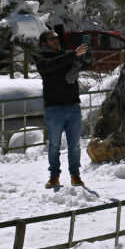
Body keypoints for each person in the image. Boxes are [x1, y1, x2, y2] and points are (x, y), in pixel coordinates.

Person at [36, 29, 92, 188]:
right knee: (54, 145)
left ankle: (75, 175)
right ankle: (54, 176)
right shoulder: (42, 59)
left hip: (73, 106)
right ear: (44, 43)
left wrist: (84, 57)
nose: (56, 40)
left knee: (74, 145)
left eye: (56, 38)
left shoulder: (68, 55)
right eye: (52, 38)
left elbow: (86, 64)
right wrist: (73, 56)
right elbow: (51, 66)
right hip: (54, 109)